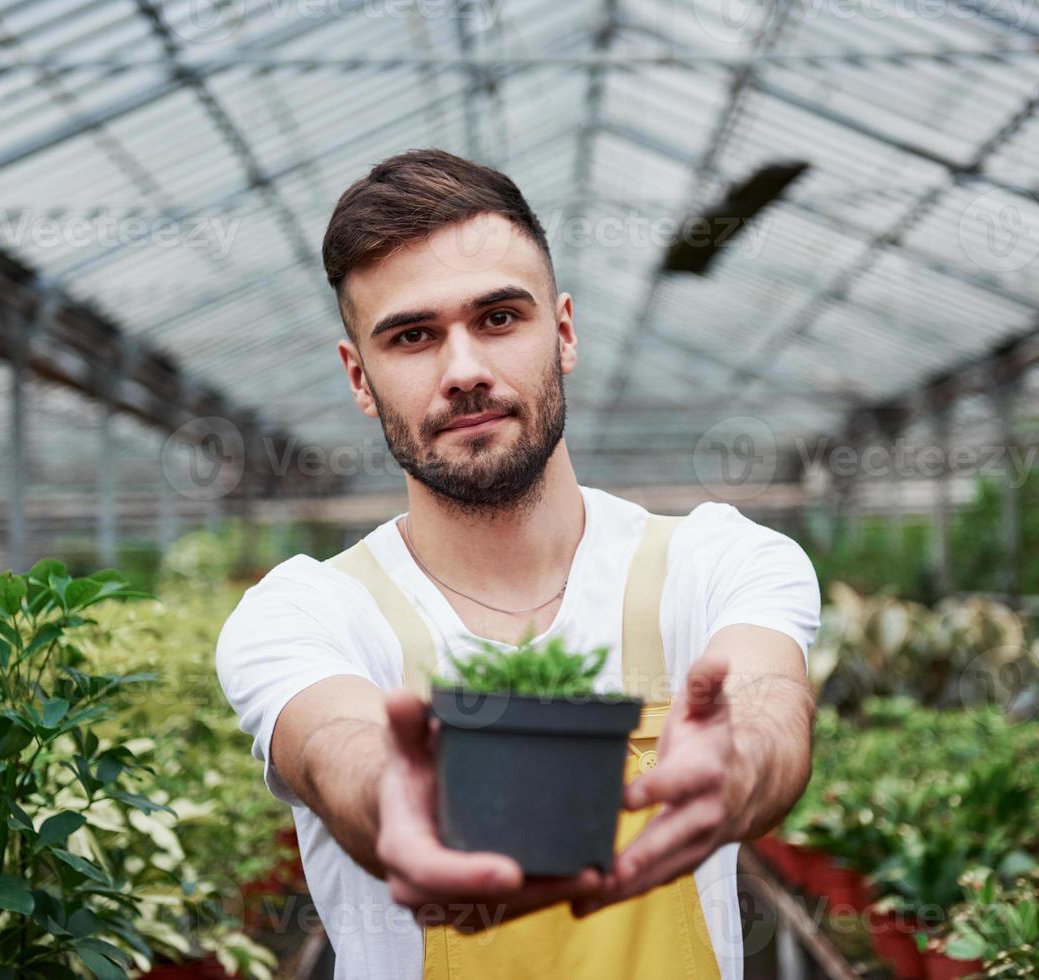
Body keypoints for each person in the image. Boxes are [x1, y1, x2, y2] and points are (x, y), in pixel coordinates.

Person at [215, 148, 821, 979]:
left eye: (498, 318)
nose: (464, 371)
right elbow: (335, 743)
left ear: (562, 332)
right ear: (360, 377)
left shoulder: (712, 560)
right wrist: (397, 801)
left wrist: (741, 762)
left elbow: (767, 700)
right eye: (413, 336)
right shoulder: (308, 611)